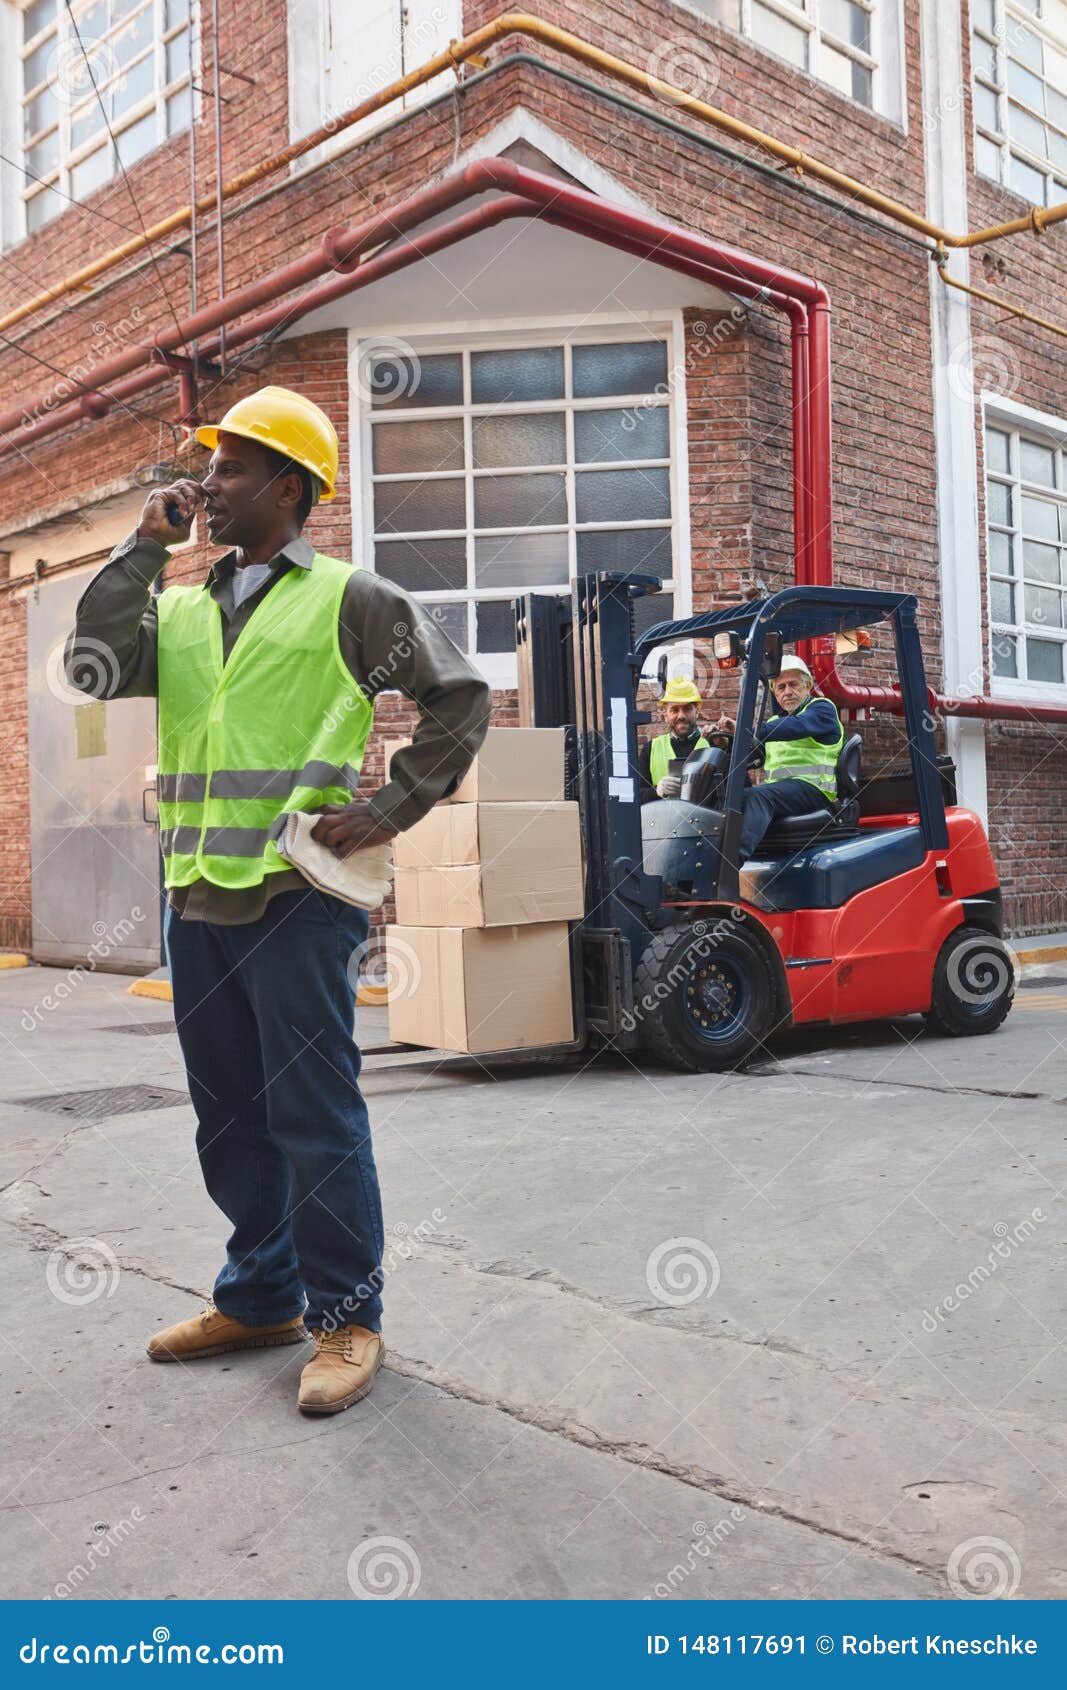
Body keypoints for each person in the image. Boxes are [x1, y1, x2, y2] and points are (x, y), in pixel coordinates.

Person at [63, 385, 491, 1416]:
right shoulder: (178, 607)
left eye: (232, 468)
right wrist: (138, 548)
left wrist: (387, 808)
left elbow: (458, 697)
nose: (208, 484)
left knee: (313, 1113)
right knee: (228, 1116)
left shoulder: (348, 598)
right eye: (209, 468)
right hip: (196, 896)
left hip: (297, 900)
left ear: (289, 487)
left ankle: (346, 1317)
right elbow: (89, 666)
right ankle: (259, 1296)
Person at [714, 655, 844, 859]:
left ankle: (730, 863)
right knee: (728, 793)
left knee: (759, 796)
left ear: (807, 685)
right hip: (782, 793)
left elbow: (797, 726)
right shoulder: (774, 721)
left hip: (814, 790)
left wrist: (748, 729)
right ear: (774, 693)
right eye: (781, 687)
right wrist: (727, 744)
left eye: (793, 685)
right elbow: (752, 755)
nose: (788, 692)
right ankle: (706, 859)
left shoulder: (821, 709)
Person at [637, 677, 711, 803]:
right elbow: (636, 796)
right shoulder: (651, 749)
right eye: (675, 710)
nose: (681, 716)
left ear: (697, 712)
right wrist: (657, 791)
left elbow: (735, 790)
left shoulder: (712, 745)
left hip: (704, 820)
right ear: (665, 715)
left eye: (687, 709)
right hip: (663, 821)